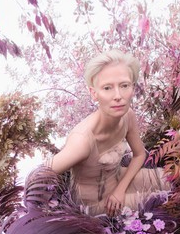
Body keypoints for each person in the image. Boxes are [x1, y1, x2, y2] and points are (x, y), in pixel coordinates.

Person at [48, 50, 169, 216]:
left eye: (124, 85)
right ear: (94, 93)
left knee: (171, 179)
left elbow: (139, 154)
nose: (118, 96)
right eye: (107, 88)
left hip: (119, 181)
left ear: (133, 88)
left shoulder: (128, 116)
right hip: (96, 204)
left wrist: (120, 189)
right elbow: (38, 176)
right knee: (166, 200)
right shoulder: (82, 140)